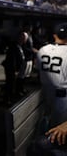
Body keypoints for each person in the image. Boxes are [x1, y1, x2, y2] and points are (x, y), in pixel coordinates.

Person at [27, 23, 67, 155]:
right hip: (63, 98)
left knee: (48, 128)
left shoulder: (43, 50)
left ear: (55, 35)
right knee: (59, 135)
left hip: (45, 95)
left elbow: (38, 70)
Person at [1, 31, 29, 105]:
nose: (24, 40)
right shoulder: (13, 46)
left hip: (15, 68)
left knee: (12, 84)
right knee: (10, 84)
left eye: (25, 38)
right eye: (23, 38)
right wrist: (15, 70)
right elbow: (12, 59)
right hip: (11, 68)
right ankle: (7, 100)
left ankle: (10, 98)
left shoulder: (20, 46)